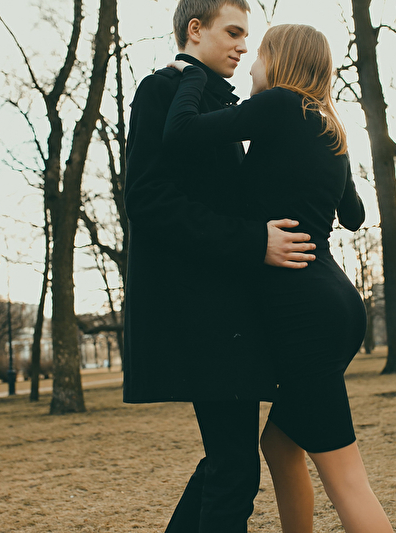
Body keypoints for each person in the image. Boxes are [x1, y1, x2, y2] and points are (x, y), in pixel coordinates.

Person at [164, 24, 395, 533]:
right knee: (279, 445)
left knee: (346, 477)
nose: (251, 64)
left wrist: (190, 76)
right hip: (335, 306)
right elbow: (353, 214)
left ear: (281, 61)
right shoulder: (327, 127)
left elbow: (181, 132)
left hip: (306, 317)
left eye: (261, 54)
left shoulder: (281, 105)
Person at [122, 1, 317, 532]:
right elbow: (146, 199)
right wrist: (255, 241)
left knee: (227, 465)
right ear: (195, 29)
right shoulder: (161, 91)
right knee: (233, 468)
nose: (243, 46)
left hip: (228, 313)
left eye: (245, 35)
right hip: (200, 314)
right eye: (232, 32)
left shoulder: (218, 102)